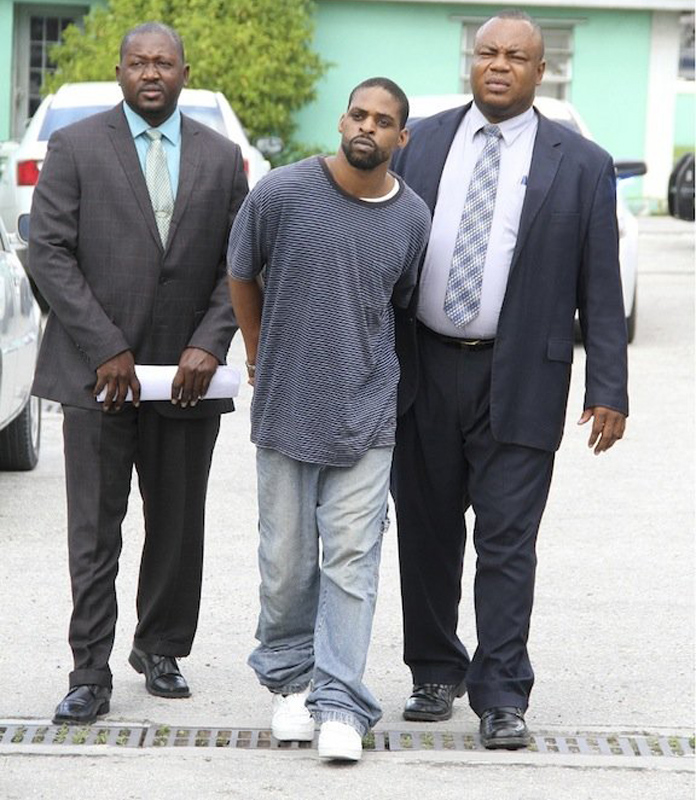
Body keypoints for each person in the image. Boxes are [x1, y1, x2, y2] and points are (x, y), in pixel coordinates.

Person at [390, 10, 628, 749]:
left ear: (541, 68)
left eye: (515, 56)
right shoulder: (420, 142)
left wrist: (608, 390)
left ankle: (501, 693)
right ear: (473, 61)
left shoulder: (582, 163)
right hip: (422, 367)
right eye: (487, 52)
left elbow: (601, 283)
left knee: (508, 540)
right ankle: (434, 671)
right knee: (426, 531)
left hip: (523, 374)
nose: (498, 65)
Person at [29, 21, 248, 725]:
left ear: (185, 72)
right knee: (96, 530)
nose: (150, 73)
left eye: (163, 63)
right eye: (137, 63)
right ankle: (90, 669)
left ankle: (161, 649)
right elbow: (49, 253)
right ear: (120, 71)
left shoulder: (221, 158)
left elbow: (240, 265)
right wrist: (103, 347)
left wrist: (212, 343)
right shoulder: (76, 146)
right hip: (99, 379)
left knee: (178, 523)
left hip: (187, 379)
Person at [227, 77, 431, 762]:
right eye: (359, 114)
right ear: (342, 121)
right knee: (286, 565)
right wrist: (258, 355)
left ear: (402, 138)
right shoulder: (282, 194)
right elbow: (240, 271)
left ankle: (340, 701)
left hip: (368, 413)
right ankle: (289, 682)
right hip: (285, 406)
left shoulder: (413, 219)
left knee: (351, 562)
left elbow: (397, 302)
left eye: (384, 120)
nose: (367, 127)